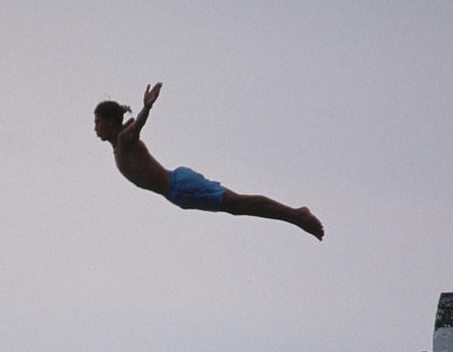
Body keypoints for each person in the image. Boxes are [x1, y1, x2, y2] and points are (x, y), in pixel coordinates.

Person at [94, 82, 324, 240]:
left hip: (179, 185)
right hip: (177, 194)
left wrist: (146, 107)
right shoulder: (120, 143)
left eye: (98, 122)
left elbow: (136, 127)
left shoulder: (124, 140)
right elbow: (132, 126)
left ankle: (297, 215)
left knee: (238, 203)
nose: (95, 127)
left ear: (111, 122)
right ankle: (295, 216)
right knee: (237, 207)